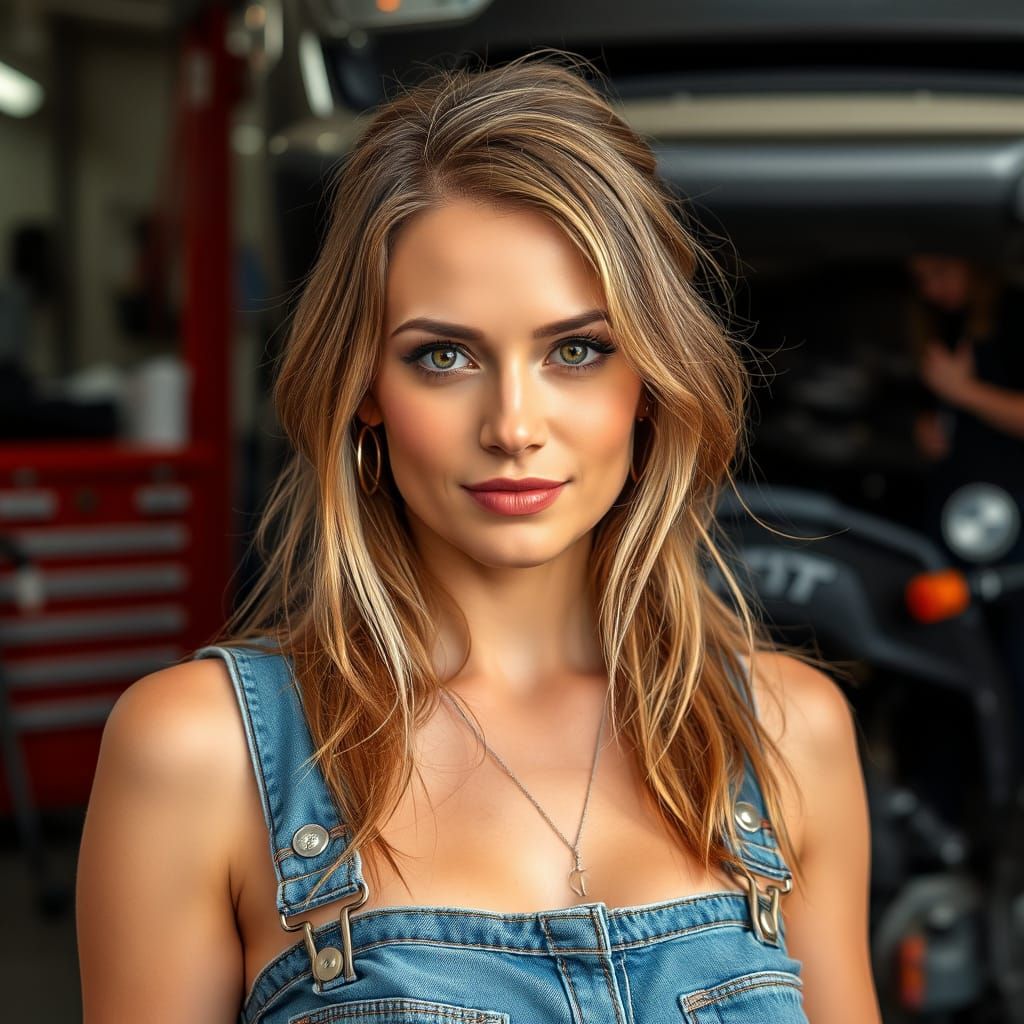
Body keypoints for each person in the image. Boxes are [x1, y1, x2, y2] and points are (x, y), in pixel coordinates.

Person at [76, 53, 880, 1024]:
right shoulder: (202, 752)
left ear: (651, 379)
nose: (513, 424)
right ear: (365, 389)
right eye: (443, 355)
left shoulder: (788, 732)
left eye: (576, 350)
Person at [906, 252, 1024, 746]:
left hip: (1015, 527)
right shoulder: (941, 325)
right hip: (955, 521)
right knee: (946, 661)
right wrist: (925, 428)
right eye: (921, 281)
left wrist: (965, 392)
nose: (931, 289)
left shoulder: (1015, 317)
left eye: (941, 273)